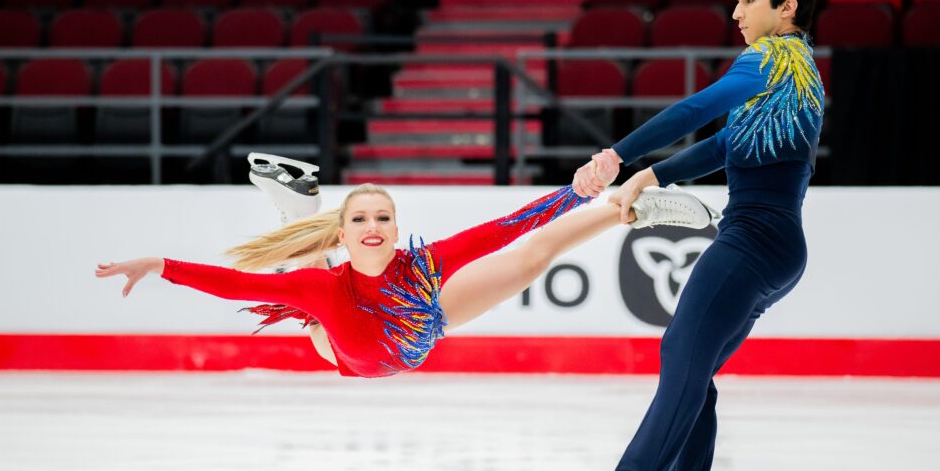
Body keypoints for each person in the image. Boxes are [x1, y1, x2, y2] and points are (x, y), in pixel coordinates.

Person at [564, 0, 825, 471]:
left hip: (754, 239)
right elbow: (724, 142)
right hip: (775, 244)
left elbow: (695, 110)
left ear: (785, 9)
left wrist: (617, 156)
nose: (736, 12)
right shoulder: (798, 72)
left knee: (682, 350)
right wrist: (652, 174)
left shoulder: (770, 60)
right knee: (693, 369)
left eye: (748, 0)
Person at [95, 155, 718, 379]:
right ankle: (301, 210)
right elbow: (237, 282)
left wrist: (580, 191)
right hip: (343, 348)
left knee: (532, 256)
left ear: (396, 230)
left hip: (425, 318)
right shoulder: (326, 284)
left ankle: (627, 211)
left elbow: (510, 228)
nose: (372, 228)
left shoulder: (424, 265)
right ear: (348, 234)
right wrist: (159, 264)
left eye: (383, 220)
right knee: (302, 301)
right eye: (360, 220)